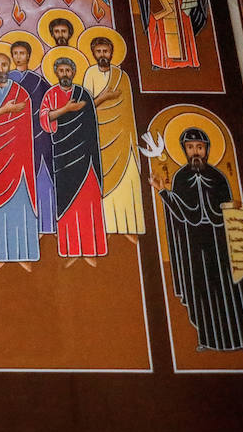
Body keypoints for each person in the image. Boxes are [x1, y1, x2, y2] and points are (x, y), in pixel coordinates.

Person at [151, 127, 243, 350]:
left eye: (199, 147)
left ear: (206, 149)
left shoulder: (218, 178)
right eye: (190, 148)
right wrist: (164, 193)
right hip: (195, 243)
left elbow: (227, 209)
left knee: (228, 289)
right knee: (202, 290)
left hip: (221, 243)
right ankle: (207, 340)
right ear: (185, 151)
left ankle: (240, 340)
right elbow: (180, 212)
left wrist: (233, 210)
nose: (195, 151)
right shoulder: (181, 178)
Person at [40, 56, 106, 264]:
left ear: (73, 73)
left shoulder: (82, 93)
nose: (65, 74)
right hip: (63, 154)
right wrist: (65, 110)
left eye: (68, 70)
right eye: (61, 70)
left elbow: (90, 120)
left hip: (85, 154)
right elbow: (44, 119)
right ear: (56, 73)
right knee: (66, 200)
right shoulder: (50, 94)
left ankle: (91, 247)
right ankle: (69, 248)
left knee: (88, 200)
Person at [0, 52, 40, 269]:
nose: (1, 68)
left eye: (5, 64)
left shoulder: (21, 92)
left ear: (9, 66)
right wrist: (5, 110)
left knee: (21, 203)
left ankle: (24, 252)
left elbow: (26, 128)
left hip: (18, 156)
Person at [81, 37, 144, 240]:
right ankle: (106, 226)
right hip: (99, 136)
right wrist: (104, 98)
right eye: (98, 51)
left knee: (127, 181)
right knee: (102, 180)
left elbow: (129, 110)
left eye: (105, 51)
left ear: (112, 52)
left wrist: (131, 138)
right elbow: (85, 108)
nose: (102, 55)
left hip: (123, 137)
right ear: (93, 53)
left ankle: (130, 226)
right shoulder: (90, 73)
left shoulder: (122, 76)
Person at [8, 39, 57, 237]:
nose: (19, 57)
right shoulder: (6, 79)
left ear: (29, 56)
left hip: (37, 136)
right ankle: (21, 226)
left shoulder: (38, 81)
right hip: (13, 138)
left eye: (22, 53)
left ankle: (46, 225)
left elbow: (47, 106)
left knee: (42, 178)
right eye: (16, 53)